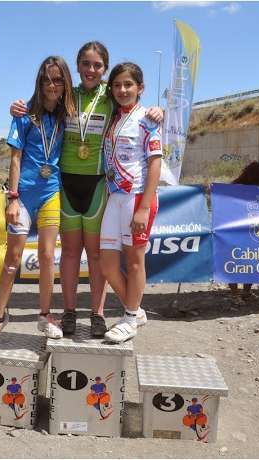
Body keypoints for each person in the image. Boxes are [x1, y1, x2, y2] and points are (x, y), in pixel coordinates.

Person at [11, 42, 163, 338]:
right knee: (69, 252)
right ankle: (69, 312)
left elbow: (136, 107)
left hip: (97, 184)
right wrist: (18, 107)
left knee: (96, 255)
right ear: (77, 65)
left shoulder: (110, 95)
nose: (91, 70)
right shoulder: (68, 93)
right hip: (66, 182)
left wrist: (158, 110)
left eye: (97, 65)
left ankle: (97, 313)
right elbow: (42, 99)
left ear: (104, 68)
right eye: (85, 64)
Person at [0, 56, 76, 350]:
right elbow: (15, 159)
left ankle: (45, 316)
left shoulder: (67, 115)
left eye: (57, 80)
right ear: (39, 82)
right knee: (12, 260)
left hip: (50, 193)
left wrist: (157, 110)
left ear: (65, 83)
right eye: (47, 80)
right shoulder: (24, 115)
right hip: (22, 196)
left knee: (47, 256)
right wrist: (12, 198)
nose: (52, 85)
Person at [99, 62, 162, 344]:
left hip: (137, 197)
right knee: (107, 265)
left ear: (140, 88)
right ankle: (135, 311)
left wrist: (144, 207)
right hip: (114, 198)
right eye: (117, 85)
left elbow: (155, 163)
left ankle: (129, 319)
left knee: (135, 262)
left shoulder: (148, 119)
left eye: (128, 84)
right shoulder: (114, 118)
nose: (122, 90)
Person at [229, 161, 259, 300]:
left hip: (235, 230)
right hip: (249, 230)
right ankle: (244, 292)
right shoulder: (258, 190)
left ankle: (236, 292)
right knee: (251, 259)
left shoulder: (233, 188)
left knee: (234, 259)